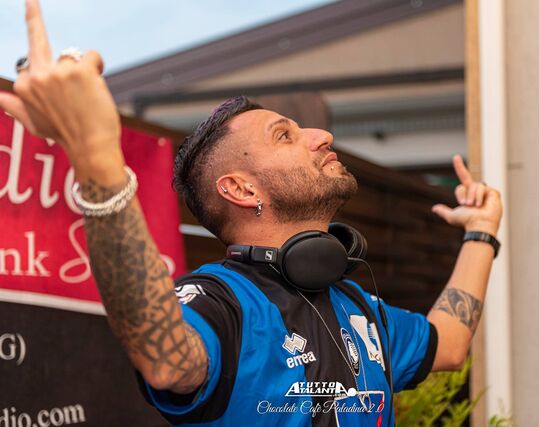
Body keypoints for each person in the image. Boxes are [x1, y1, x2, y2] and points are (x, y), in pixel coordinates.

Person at [0, 1, 503, 425]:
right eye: (285, 135)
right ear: (241, 188)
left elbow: (449, 342)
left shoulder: (358, 306)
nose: (321, 136)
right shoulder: (220, 305)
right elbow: (166, 361)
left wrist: (481, 231)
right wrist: (95, 156)